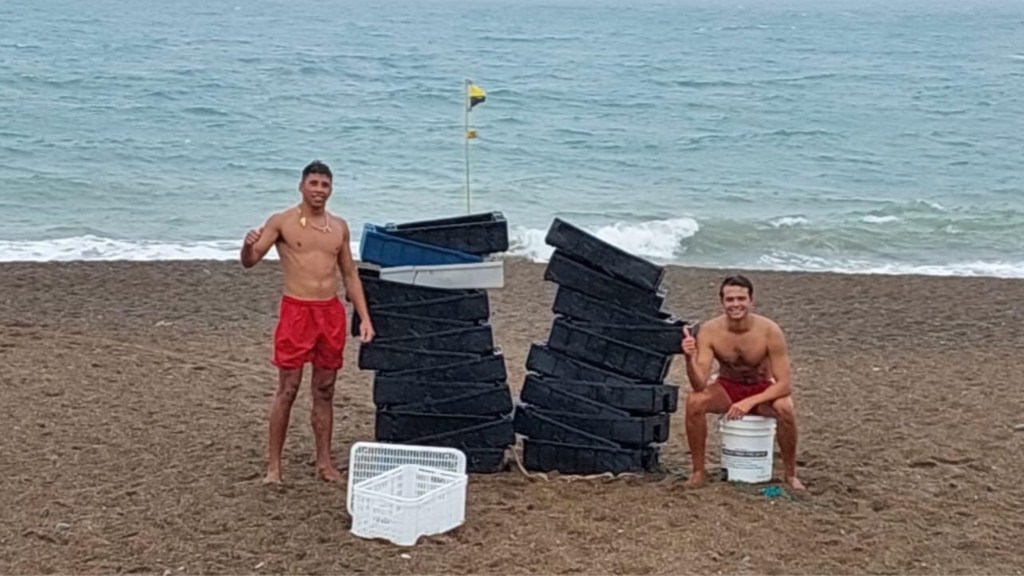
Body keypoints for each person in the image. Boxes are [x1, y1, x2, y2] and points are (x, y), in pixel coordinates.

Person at [240, 160, 375, 485]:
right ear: (302, 186)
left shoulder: (339, 227)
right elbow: (250, 261)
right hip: (296, 311)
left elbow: (349, 274)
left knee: (325, 390)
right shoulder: (282, 222)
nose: (318, 190)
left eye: (324, 185)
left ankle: (325, 464)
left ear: (331, 190)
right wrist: (246, 244)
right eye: (313, 183)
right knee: (287, 389)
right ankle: (274, 466)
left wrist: (364, 318)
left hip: (328, 313)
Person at [680, 274, 804, 490]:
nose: (735, 304)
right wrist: (689, 359)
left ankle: (791, 474)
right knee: (694, 401)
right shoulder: (710, 330)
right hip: (728, 386)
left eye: (740, 299)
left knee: (786, 407)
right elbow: (699, 384)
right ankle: (698, 471)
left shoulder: (769, 330)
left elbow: (784, 384)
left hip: (762, 388)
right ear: (722, 302)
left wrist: (749, 402)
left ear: (750, 300)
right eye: (730, 300)